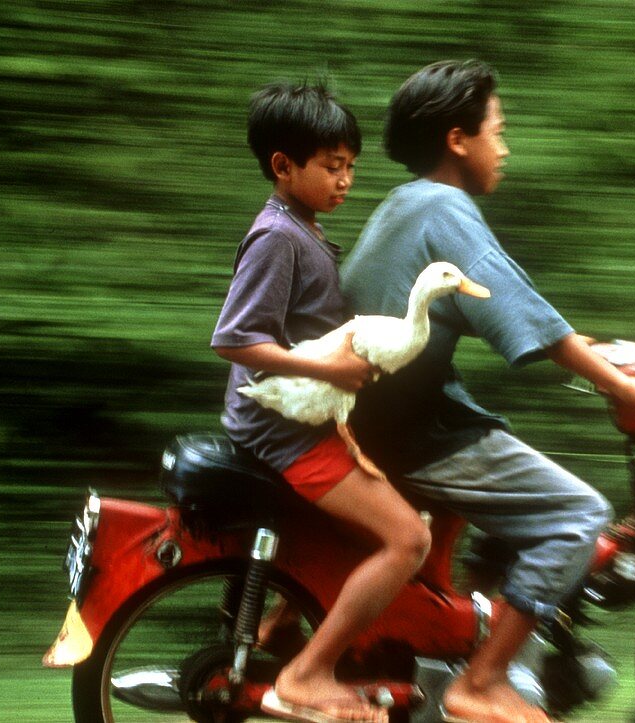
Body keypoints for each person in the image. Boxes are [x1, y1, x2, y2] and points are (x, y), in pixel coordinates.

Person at [339, 61, 635, 723]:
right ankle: (483, 681)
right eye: (499, 130)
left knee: (508, 464)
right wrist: (623, 383)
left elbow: (520, 310)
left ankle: (472, 643)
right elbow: (519, 306)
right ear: (458, 139)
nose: (506, 147)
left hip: (387, 418)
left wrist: (600, 352)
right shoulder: (445, 208)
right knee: (577, 514)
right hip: (414, 431)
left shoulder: (405, 203)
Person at [212, 81, 430, 723]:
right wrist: (327, 362)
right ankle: (306, 677)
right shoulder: (277, 238)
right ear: (283, 166)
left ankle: (283, 632)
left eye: (351, 167)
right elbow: (234, 338)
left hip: (299, 420)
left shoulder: (302, 228)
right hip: (282, 432)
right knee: (408, 540)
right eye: (332, 166)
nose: (345, 180)